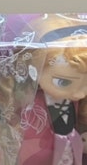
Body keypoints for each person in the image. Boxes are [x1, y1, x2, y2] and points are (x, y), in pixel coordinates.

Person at [16, 15, 87, 165]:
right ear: (34, 68)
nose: (80, 93)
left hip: (70, 150)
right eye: (63, 82)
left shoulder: (75, 99)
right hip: (38, 153)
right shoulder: (32, 103)